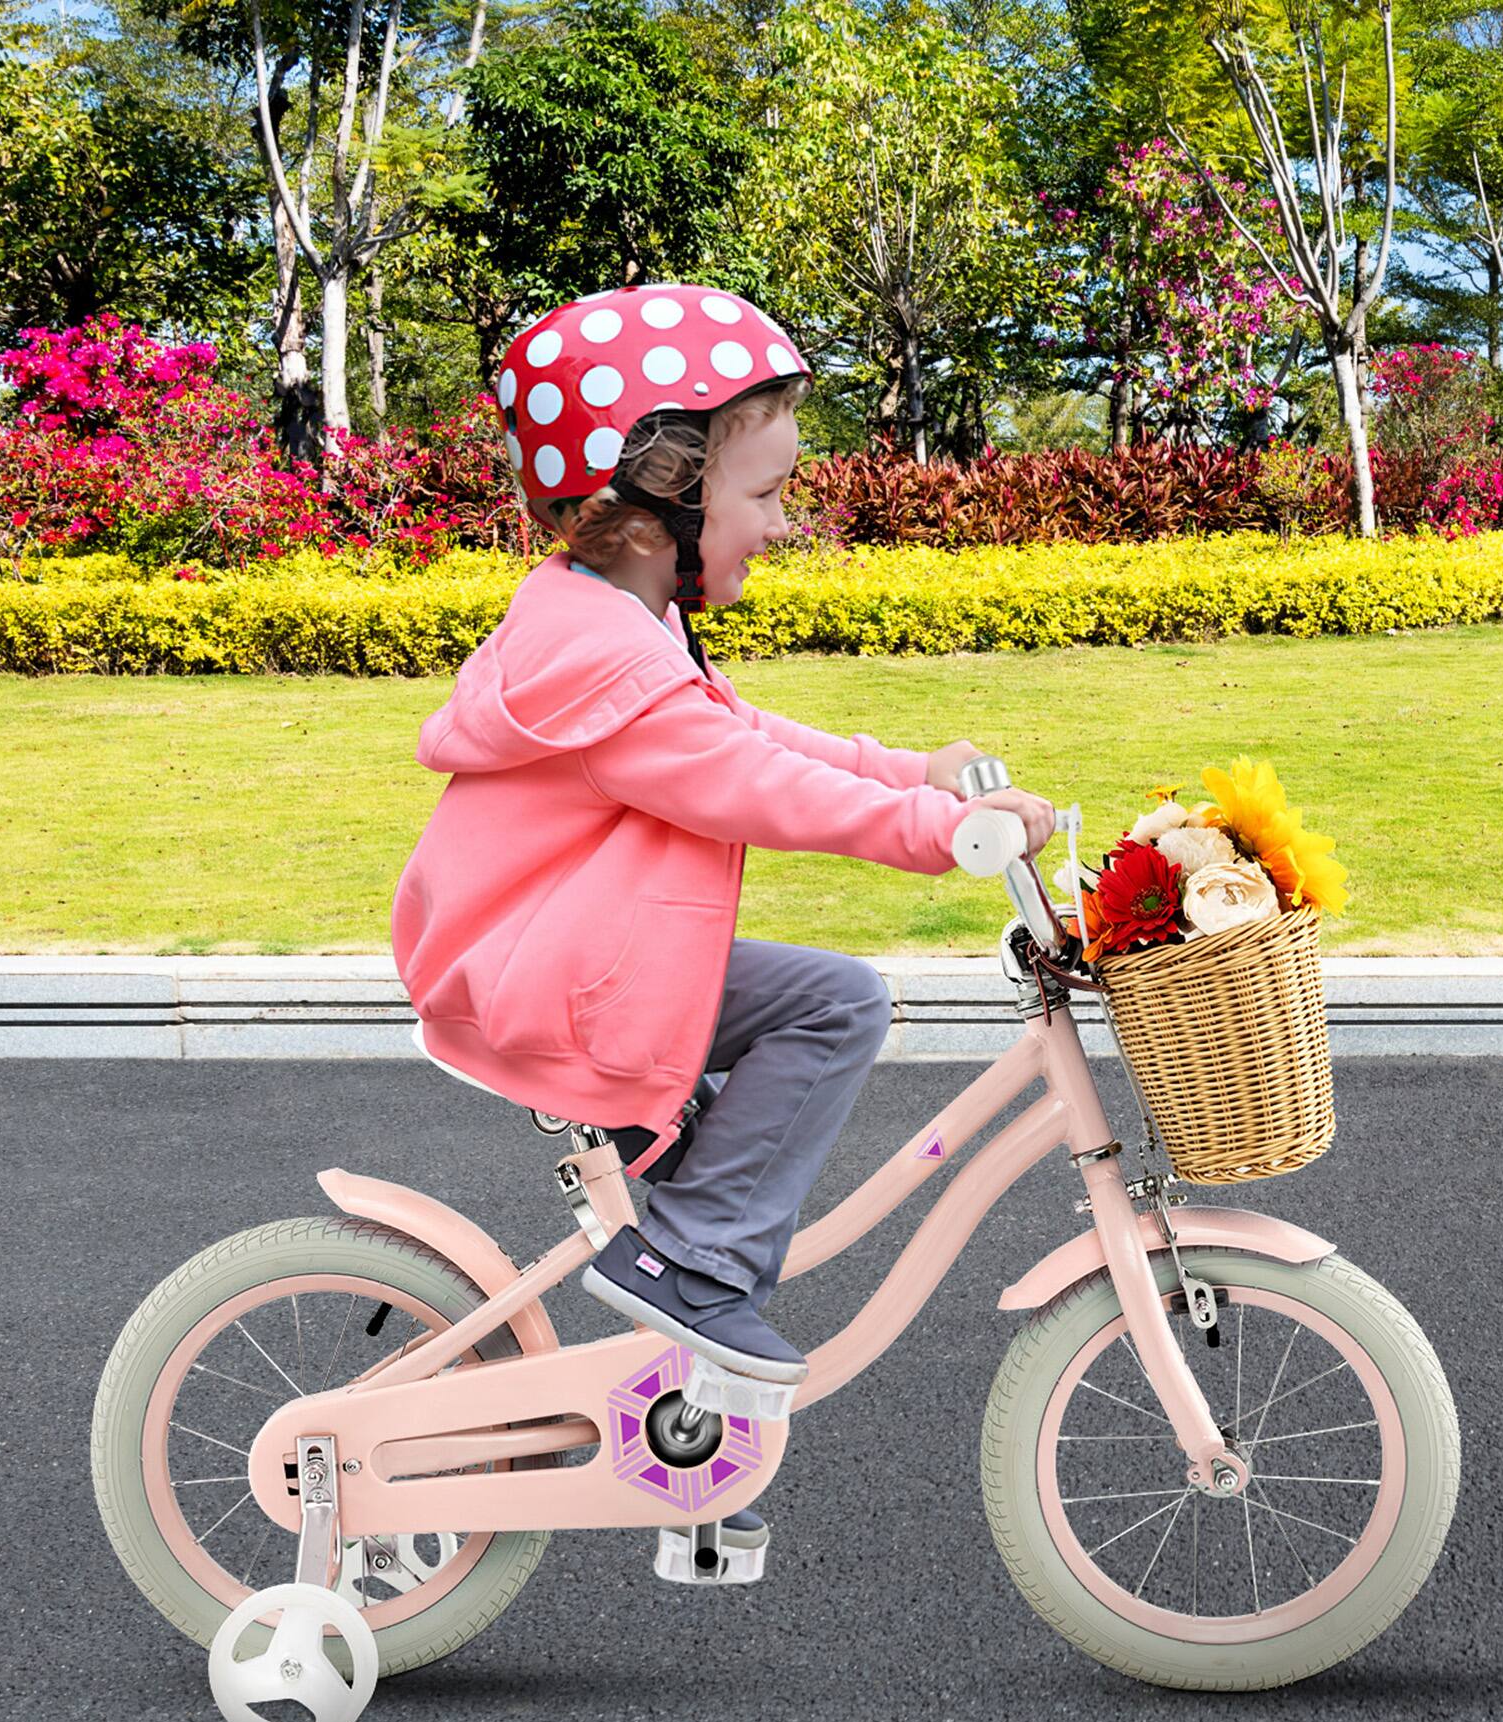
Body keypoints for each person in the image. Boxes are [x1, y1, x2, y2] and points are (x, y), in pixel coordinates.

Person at [391, 284, 1055, 1410]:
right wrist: (934, 833)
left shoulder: (610, 616)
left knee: (827, 999)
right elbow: (753, 787)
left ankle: (689, 1228)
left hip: (555, 951)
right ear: (661, 499)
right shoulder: (605, 657)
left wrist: (908, 771)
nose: (784, 522)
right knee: (833, 1006)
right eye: (767, 492)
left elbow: (739, 730)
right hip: (553, 974)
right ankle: (690, 1258)